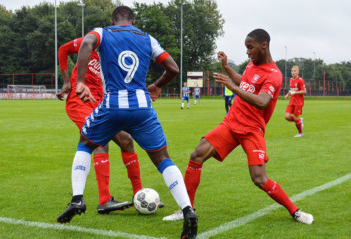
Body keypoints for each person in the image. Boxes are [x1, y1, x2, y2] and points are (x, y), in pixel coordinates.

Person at [59, 6, 197, 238]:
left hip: (112, 106)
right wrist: (157, 85)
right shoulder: (147, 38)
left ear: (113, 20)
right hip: (143, 107)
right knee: (163, 159)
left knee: (86, 142)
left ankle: (77, 199)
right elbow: (173, 68)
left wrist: (79, 81)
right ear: (133, 20)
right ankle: (188, 210)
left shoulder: (103, 32)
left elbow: (85, 44)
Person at [163, 29, 313, 225]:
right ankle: (187, 209)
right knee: (197, 155)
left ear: (264, 46)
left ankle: (295, 211)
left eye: (250, 47)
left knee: (259, 179)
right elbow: (245, 83)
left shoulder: (274, 75)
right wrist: (226, 68)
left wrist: (233, 88)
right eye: (246, 48)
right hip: (232, 122)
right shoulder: (252, 65)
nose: (247, 52)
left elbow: (261, 101)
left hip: (252, 129)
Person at [56, 36, 146, 221]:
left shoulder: (119, 54)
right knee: (99, 140)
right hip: (79, 100)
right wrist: (66, 80)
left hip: (100, 102)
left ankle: (139, 196)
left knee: (126, 140)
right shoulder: (90, 41)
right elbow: (63, 50)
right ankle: (103, 200)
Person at [284, 66, 306, 137]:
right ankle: (300, 121)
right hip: (292, 101)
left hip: (298, 102)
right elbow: (292, 90)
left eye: (295, 71)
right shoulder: (290, 80)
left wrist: (295, 93)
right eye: (292, 71)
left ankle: (300, 133)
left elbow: (304, 91)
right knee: (287, 116)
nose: (293, 72)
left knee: (296, 117)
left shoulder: (300, 80)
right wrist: (288, 94)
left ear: (298, 72)